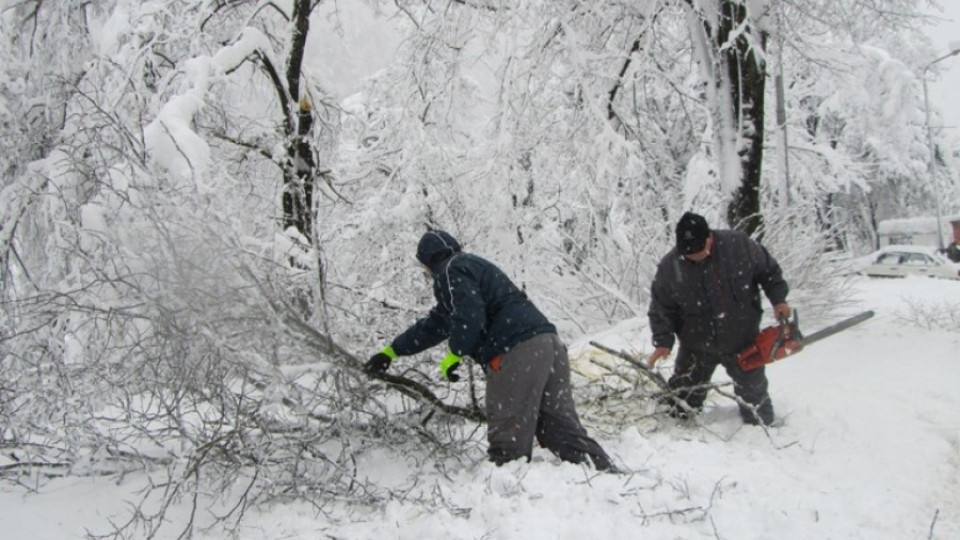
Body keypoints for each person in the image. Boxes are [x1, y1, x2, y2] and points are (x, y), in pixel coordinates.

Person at [365, 229, 616, 471]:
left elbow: (469, 315)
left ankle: (507, 494)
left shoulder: (451, 271)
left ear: (428, 263)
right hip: (548, 343)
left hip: (516, 350)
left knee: (508, 432)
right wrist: (392, 351)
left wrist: (456, 353)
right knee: (559, 424)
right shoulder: (473, 267)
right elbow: (435, 325)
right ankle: (601, 474)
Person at [646, 212, 791, 426]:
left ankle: (763, 431)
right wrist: (663, 342)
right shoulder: (670, 266)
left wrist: (779, 300)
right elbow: (661, 307)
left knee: (755, 399)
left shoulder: (739, 246)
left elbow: (769, 272)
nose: (694, 257)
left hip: (743, 339)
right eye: (688, 255)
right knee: (681, 403)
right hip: (696, 344)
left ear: (709, 237)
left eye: (698, 252)